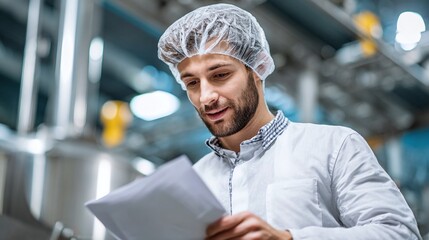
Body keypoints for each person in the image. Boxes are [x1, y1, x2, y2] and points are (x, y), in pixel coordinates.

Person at [157, 3, 422, 240]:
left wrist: (287, 239)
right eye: (192, 83)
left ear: (257, 68)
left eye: (220, 75)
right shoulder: (193, 181)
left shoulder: (333, 147)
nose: (206, 97)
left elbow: (398, 233)